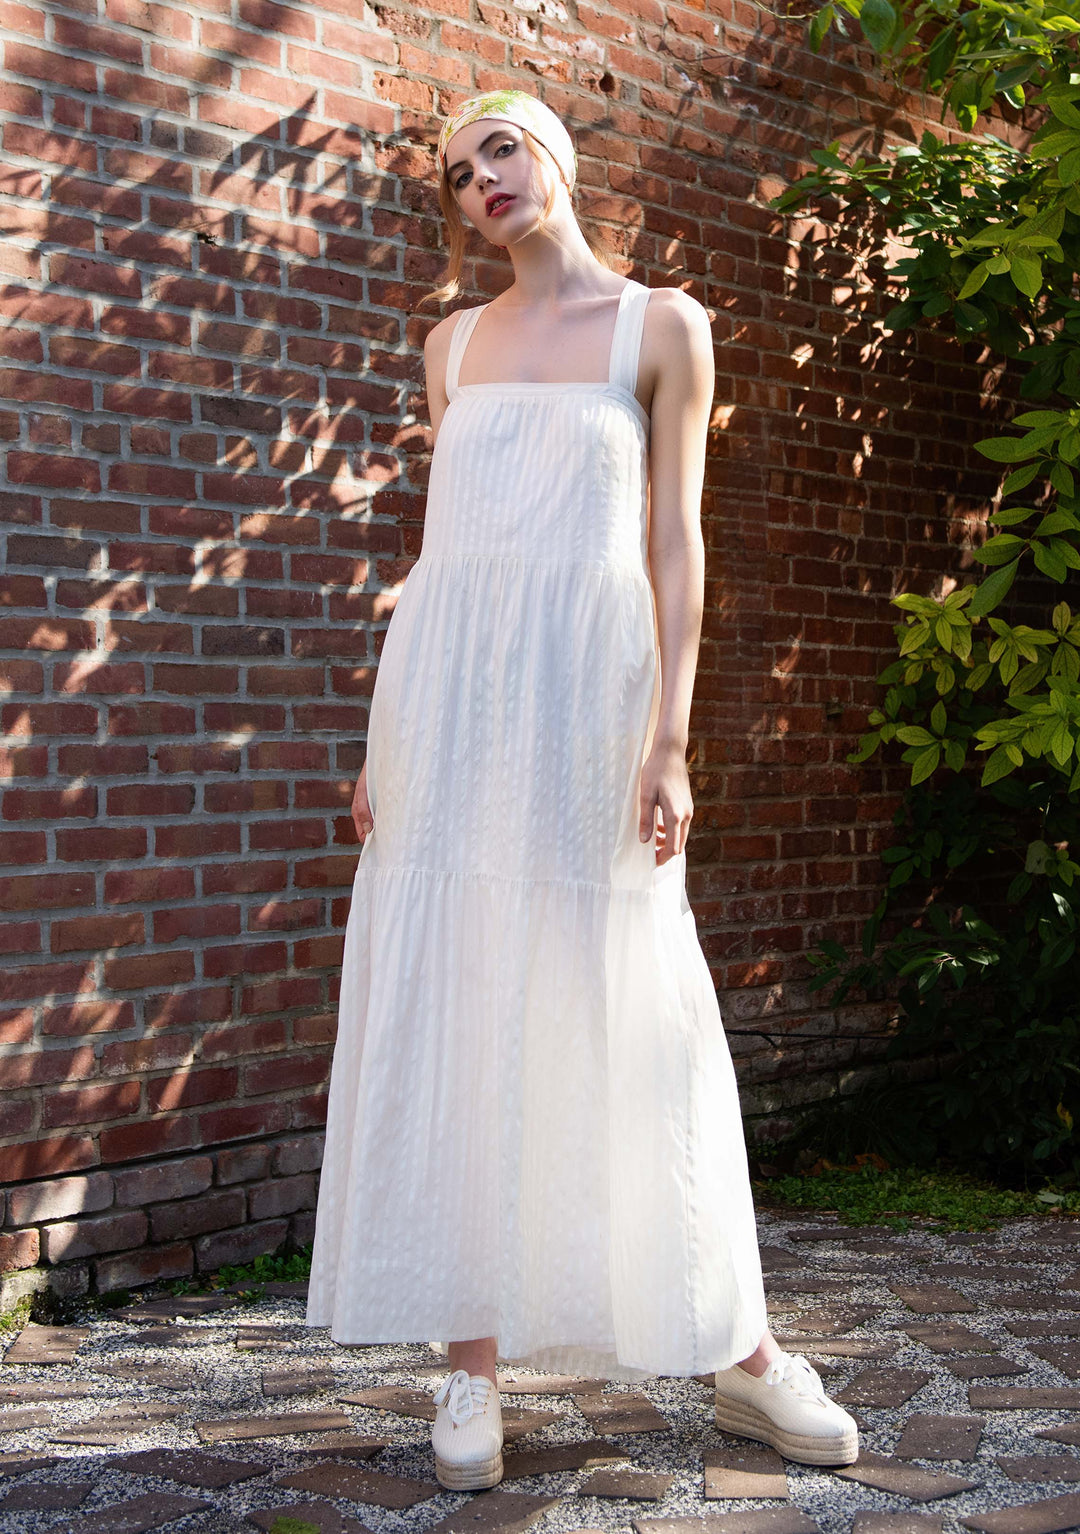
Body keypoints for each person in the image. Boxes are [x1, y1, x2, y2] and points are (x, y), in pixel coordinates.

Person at [304, 87, 859, 1491]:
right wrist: (384, 745)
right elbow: (444, 563)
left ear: (553, 153)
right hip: (451, 713)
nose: (480, 179)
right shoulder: (449, 346)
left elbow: (676, 547)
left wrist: (667, 739)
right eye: (454, 174)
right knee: (463, 997)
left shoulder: (662, 324)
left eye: (500, 147)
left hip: (596, 707)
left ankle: (741, 1352)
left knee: (646, 1003)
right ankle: (471, 1364)